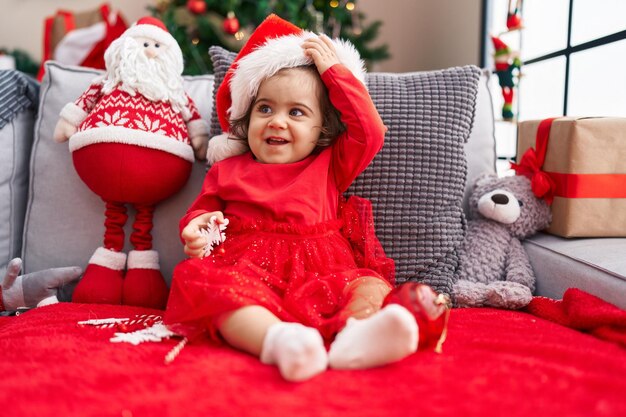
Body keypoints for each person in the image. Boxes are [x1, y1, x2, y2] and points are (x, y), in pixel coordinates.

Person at [164, 15, 421, 382]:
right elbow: (202, 213)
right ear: (246, 118)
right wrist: (197, 229)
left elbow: (371, 131)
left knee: (371, 286)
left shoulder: (331, 163)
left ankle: (356, 338)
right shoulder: (227, 170)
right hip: (246, 272)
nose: (277, 122)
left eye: (296, 112)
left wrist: (334, 72)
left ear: (323, 130)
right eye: (264, 109)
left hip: (324, 272)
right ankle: (278, 340)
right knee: (203, 284)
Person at [53, 17, 208, 309]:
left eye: (156, 46)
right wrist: (68, 121)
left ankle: (139, 271)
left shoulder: (174, 91)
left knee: (142, 218)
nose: (150, 51)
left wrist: (199, 140)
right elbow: (84, 101)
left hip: (164, 161)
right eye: (144, 44)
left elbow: (194, 119)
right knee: (117, 214)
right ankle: (114, 268)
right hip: (101, 149)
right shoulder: (109, 82)